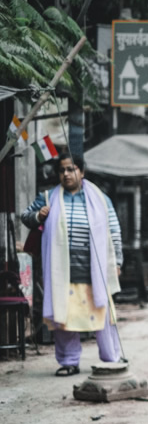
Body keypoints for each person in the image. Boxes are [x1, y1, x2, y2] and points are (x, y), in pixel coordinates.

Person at [20, 153, 124, 377]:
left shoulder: (100, 198)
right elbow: (25, 216)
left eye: (71, 169)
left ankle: (112, 358)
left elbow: (114, 231)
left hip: (94, 269)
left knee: (103, 316)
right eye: (62, 170)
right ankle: (69, 362)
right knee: (64, 317)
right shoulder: (48, 197)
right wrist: (39, 215)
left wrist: (117, 261)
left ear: (82, 172)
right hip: (62, 271)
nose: (66, 174)